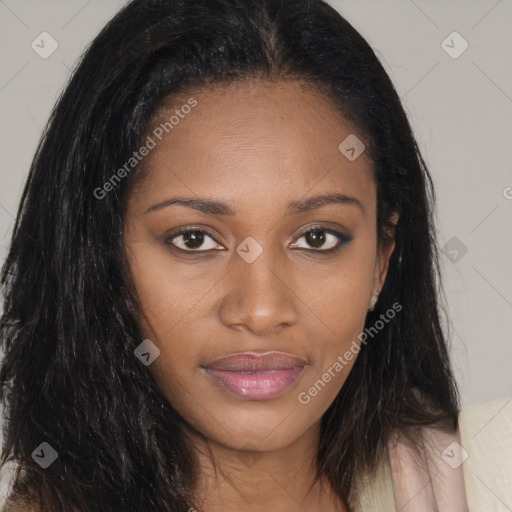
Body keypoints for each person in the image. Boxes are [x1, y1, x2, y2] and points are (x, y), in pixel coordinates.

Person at [0, 0, 510, 510]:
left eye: (316, 238)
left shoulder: (491, 480)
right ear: (101, 261)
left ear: (381, 260)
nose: (262, 310)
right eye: (194, 239)